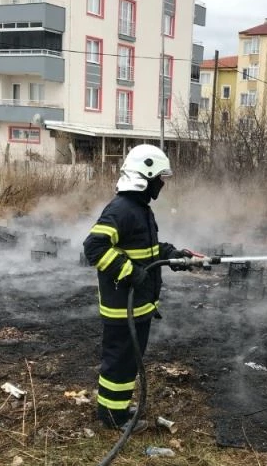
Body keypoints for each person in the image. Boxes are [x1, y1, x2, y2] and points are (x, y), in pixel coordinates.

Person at [83, 144, 195, 432]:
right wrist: (130, 271)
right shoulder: (122, 209)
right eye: (160, 177)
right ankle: (113, 417)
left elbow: (147, 249)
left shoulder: (140, 210)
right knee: (119, 362)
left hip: (138, 306)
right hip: (123, 307)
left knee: (127, 361)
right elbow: (93, 247)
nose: (162, 184)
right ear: (145, 176)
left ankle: (116, 408)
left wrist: (174, 255)